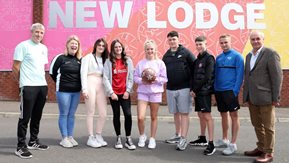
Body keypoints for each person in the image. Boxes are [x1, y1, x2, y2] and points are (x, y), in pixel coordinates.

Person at [243, 31, 283, 163]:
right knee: (256, 124)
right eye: (253, 39)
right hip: (253, 98)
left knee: (268, 126)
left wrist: (275, 98)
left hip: (266, 98)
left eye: (257, 39)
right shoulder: (248, 56)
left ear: (263, 39)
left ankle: (268, 153)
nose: (255, 41)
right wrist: (246, 96)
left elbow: (277, 77)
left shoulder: (270, 54)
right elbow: (248, 77)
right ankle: (261, 147)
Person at [12, 23, 49, 159]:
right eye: (37, 32)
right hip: (28, 86)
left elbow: (40, 67)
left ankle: (33, 141)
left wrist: (44, 86)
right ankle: (20, 146)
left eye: (41, 33)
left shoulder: (43, 48)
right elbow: (15, 67)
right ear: (31, 32)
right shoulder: (23, 46)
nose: (39, 35)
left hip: (41, 86)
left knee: (37, 116)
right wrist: (22, 85)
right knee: (24, 117)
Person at [162, 31, 195, 151]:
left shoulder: (185, 53)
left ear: (178, 39)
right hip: (170, 88)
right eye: (170, 40)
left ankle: (183, 138)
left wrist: (193, 87)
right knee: (175, 113)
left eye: (174, 39)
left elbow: (195, 67)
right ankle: (177, 134)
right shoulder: (166, 56)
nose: (172, 41)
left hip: (184, 88)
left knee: (184, 113)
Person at [49, 35, 82, 148]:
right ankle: (64, 138)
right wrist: (61, 83)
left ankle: (70, 136)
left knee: (71, 115)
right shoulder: (60, 58)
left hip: (76, 92)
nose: (74, 46)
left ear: (78, 47)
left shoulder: (80, 60)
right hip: (63, 91)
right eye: (72, 43)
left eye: (76, 44)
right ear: (67, 45)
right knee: (64, 113)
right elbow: (52, 73)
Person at [134, 40, 167, 149]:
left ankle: (152, 138)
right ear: (145, 50)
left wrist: (155, 79)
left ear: (155, 50)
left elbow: (164, 78)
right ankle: (142, 136)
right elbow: (135, 77)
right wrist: (142, 81)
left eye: (151, 49)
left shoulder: (160, 63)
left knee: (153, 116)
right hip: (143, 92)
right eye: (148, 49)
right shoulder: (140, 63)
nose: (150, 51)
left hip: (155, 92)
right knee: (140, 117)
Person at [103, 39, 136, 150]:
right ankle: (118, 137)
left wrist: (128, 91)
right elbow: (106, 78)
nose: (118, 49)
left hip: (125, 93)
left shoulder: (128, 60)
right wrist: (111, 93)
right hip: (114, 94)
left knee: (128, 114)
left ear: (122, 48)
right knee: (116, 115)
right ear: (113, 49)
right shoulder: (108, 61)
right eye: (116, 47)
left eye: (120, 47)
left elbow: (131, 77)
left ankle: (128, 138)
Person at [214, 34, 244, 155]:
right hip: (219, 91)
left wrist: (235, 91)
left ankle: (233, 143)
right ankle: (225, 139)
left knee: (234, 116)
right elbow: (216, 74)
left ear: (230, 42)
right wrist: (215, 88)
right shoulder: (219, 57)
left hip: (230, 91)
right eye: (221, 43)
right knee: (223, 115)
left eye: (226, 42)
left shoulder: (238, 57)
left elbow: (240, 75)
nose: (224, 45)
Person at [189, 36, 215, 155]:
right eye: (197, 44)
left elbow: (207, 76)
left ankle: (211, 143)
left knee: (207, 116)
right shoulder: (197, 59)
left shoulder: (209, 58)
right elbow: (194, 76)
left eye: (201, 44)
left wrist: (196, 89)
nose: (199, 46)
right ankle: (203, 138)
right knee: (200, 114)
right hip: (197, 92)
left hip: (204, 92)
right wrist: (192, 89)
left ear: (206, 44)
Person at [81, 38, 108, 148]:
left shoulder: (106, 59)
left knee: (103, 113)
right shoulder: (88, 57)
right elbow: (83, 73)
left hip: (101, 84)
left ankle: (98, 135)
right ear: (95, 46)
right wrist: (84, 89)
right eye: (99, 45)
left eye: (103, 45)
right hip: (90, 81)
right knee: (90, 111)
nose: (101, 47)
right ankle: (90, 137)